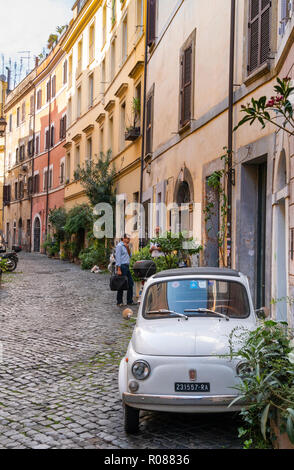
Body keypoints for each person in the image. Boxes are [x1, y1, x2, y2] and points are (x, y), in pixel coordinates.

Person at [116, 234, 136, 307]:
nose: (129, 240)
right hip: (122, 266)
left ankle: (129, 301)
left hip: (126, 266)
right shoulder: (119, 246)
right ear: (123, 238)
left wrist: (128, 248)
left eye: (129, 239)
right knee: (121, 284)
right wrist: (118, 269)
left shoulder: (127, 246)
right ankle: (119, 301)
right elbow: (118, 258)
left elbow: (130, 256)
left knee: (130, 283)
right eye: (127, 238)